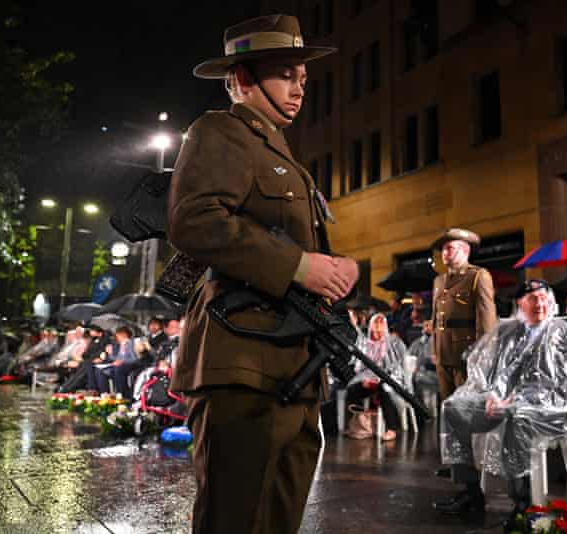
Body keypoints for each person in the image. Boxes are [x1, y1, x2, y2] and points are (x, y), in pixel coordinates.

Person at [165, 14, 356, 534]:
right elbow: (194, 221)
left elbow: (292, 245)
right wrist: (299, 266)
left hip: (293, 365)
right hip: (241, 361)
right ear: (242, 80)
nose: (299, 89)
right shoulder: (221, 131)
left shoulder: (282, 154)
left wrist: (337, 267)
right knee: (233, 517)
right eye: (285, 75)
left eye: (302, 78)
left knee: (278, 517)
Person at [434, 280, 567, 529]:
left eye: (543, 297)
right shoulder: (507, 331)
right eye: (532, 298)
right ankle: (470, 491)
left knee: (517, 416)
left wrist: (517, 400)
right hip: (502, 402)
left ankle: (523, 503)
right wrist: (492, 396)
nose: (539, 303)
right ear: (519, 303)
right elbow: (490, 371)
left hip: (550, 408)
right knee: (454, 408)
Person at [431, 228, 497, 401]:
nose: (445, 253)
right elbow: (436, 317)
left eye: (450, 248)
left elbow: (486, 319)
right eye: (443, 249)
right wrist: (434, 349)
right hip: (442, 354)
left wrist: (483, 354)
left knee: (466, 407)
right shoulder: (439, 281)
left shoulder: (477, 276)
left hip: (465, 355)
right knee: (447, 405)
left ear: (465, 250)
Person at [345, 313, 406, 441]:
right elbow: (359, 366)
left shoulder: (392, 344)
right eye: (376, 323)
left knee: (383, 390)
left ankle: (391, 428)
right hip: (367, 380)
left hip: (386, 380)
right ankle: (359, 424)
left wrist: (380, 379)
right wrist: (365, 380)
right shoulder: (366, 344)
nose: (378, 327)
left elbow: (397, 366)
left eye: (381, 323)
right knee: (352, 389)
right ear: (371, 325)